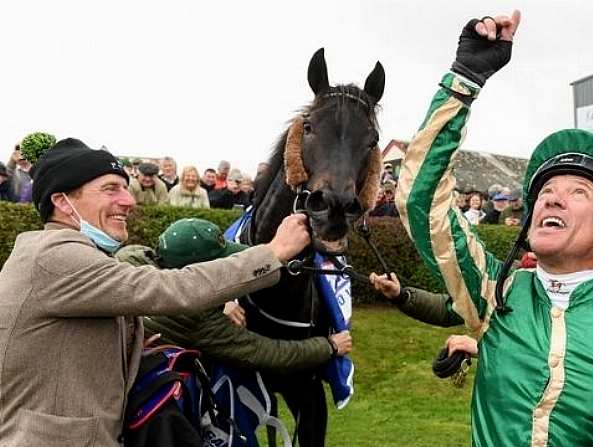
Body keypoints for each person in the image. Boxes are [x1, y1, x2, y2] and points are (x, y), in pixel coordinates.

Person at [392, 12, 593, 445]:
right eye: (545, 190)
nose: (552, 197)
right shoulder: (496, 293)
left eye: (578, 191)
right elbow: (421, 200)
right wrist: (464, 79)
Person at [0, 137, 310, 446]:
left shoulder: (60, 253)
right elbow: (172, 288)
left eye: (125, 187)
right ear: (62, 201)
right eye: (110, 189)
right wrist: (273, 253)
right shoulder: (57, 256)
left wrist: (128, 343)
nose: (129, 200)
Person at [116, 218, 351, 373]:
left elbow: (182, 284)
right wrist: (328, 346)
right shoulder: (196, 318)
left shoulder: (129, 257)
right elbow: (265, 352)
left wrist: (222, 300)